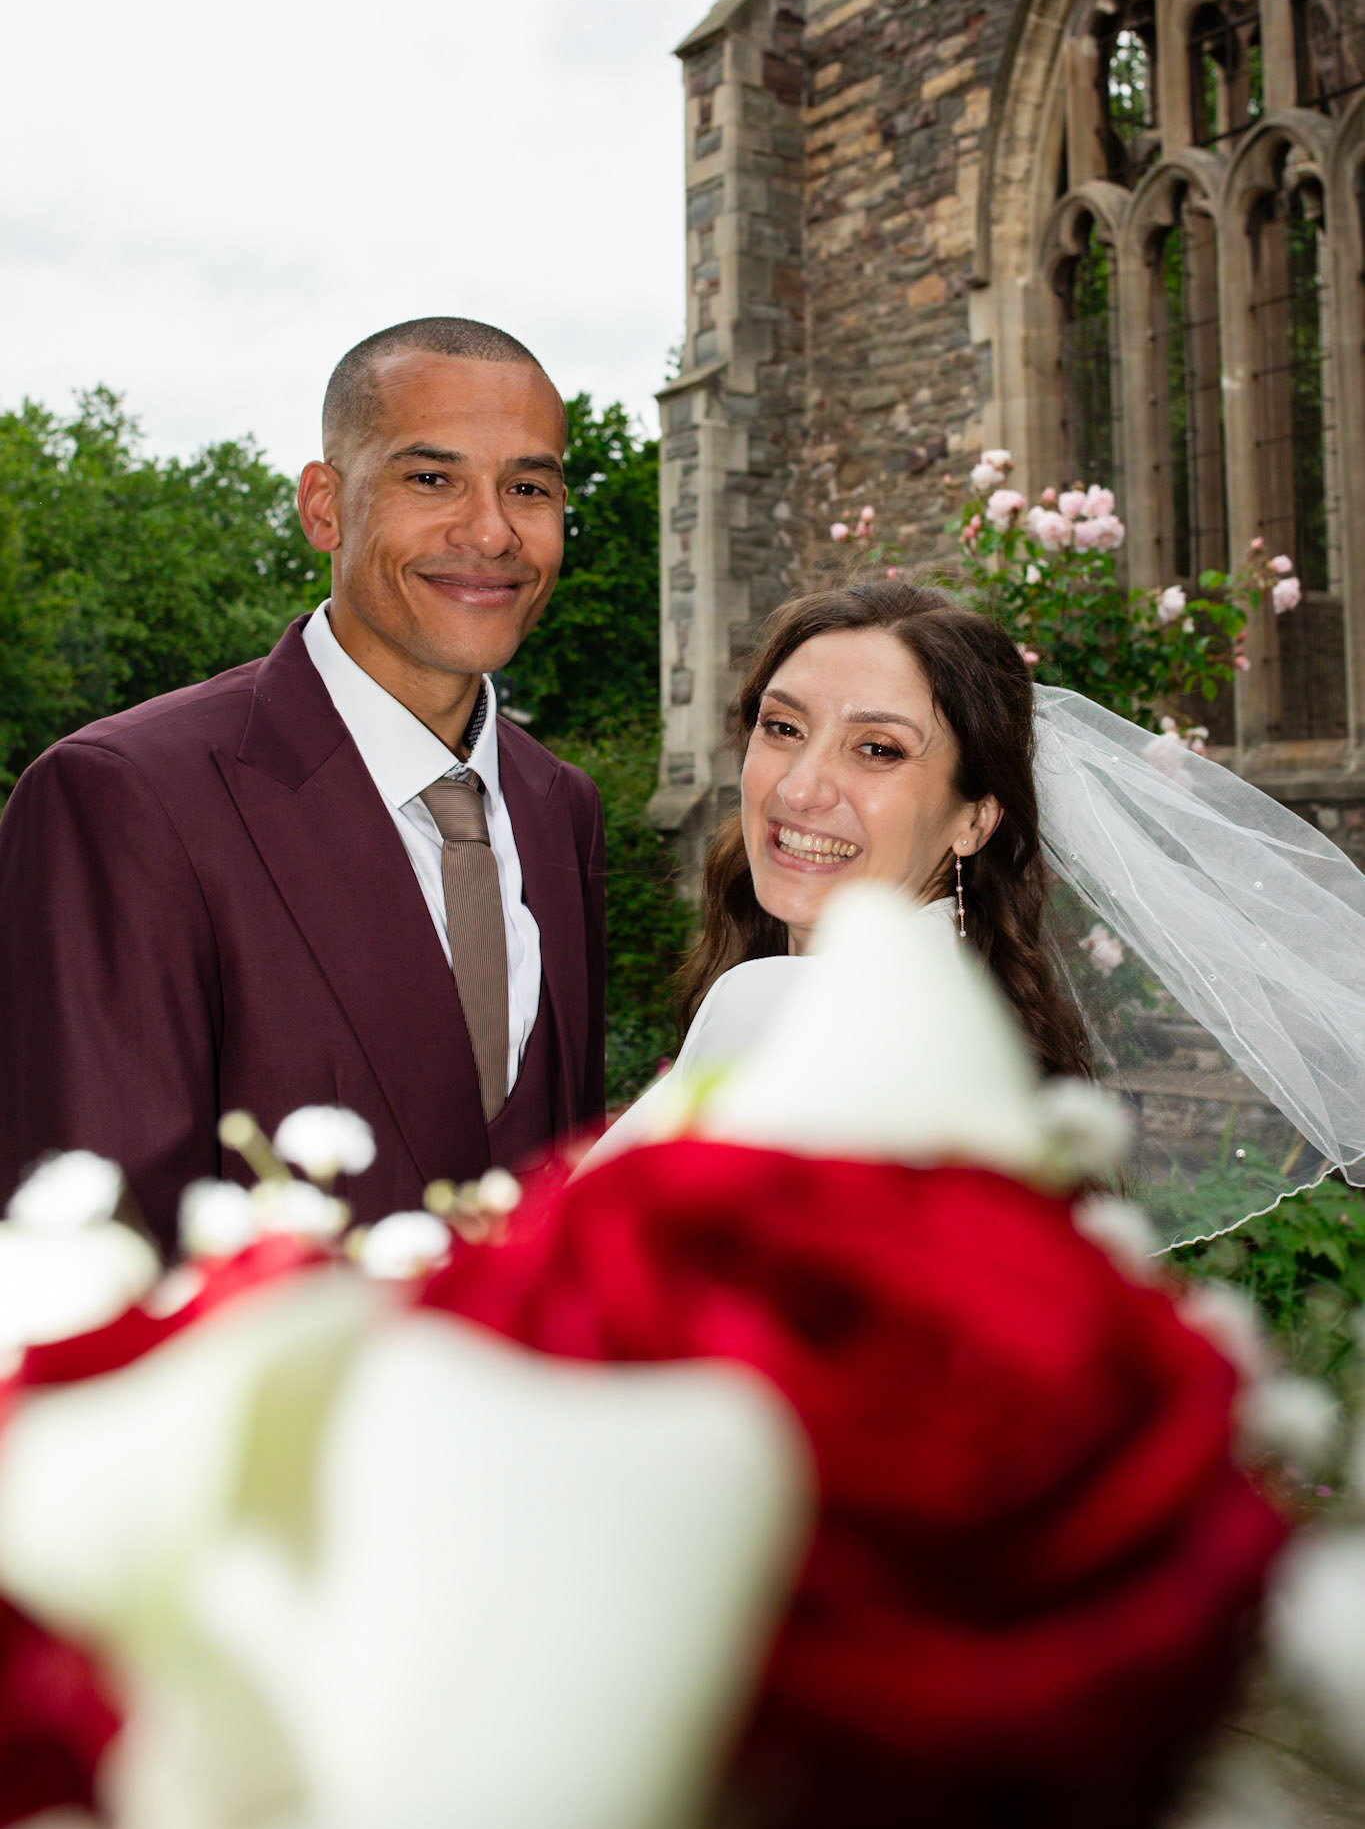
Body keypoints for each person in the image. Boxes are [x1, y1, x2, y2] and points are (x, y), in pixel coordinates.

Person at [0, 317, 606, 1251]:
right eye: (431, 478)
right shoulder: (122, 798)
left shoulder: (560, 807)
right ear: (323, 506)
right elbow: (88, 1260)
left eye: (528, 487)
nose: (491, 531)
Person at [597, 577, 1365, 1244]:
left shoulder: (781, 1006)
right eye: (783, 728)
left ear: (975, 818)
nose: (799, 787)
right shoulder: (969, 1033)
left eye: (878, 750)